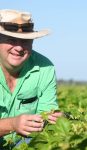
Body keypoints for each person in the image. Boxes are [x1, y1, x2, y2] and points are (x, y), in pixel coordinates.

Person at [0, 9, 62, 147]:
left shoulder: (45, 67)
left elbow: (46, 115)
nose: (19, 48)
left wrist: (54, 119)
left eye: (25, 41)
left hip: (22, 143)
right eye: (11, 40)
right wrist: (11, 124)